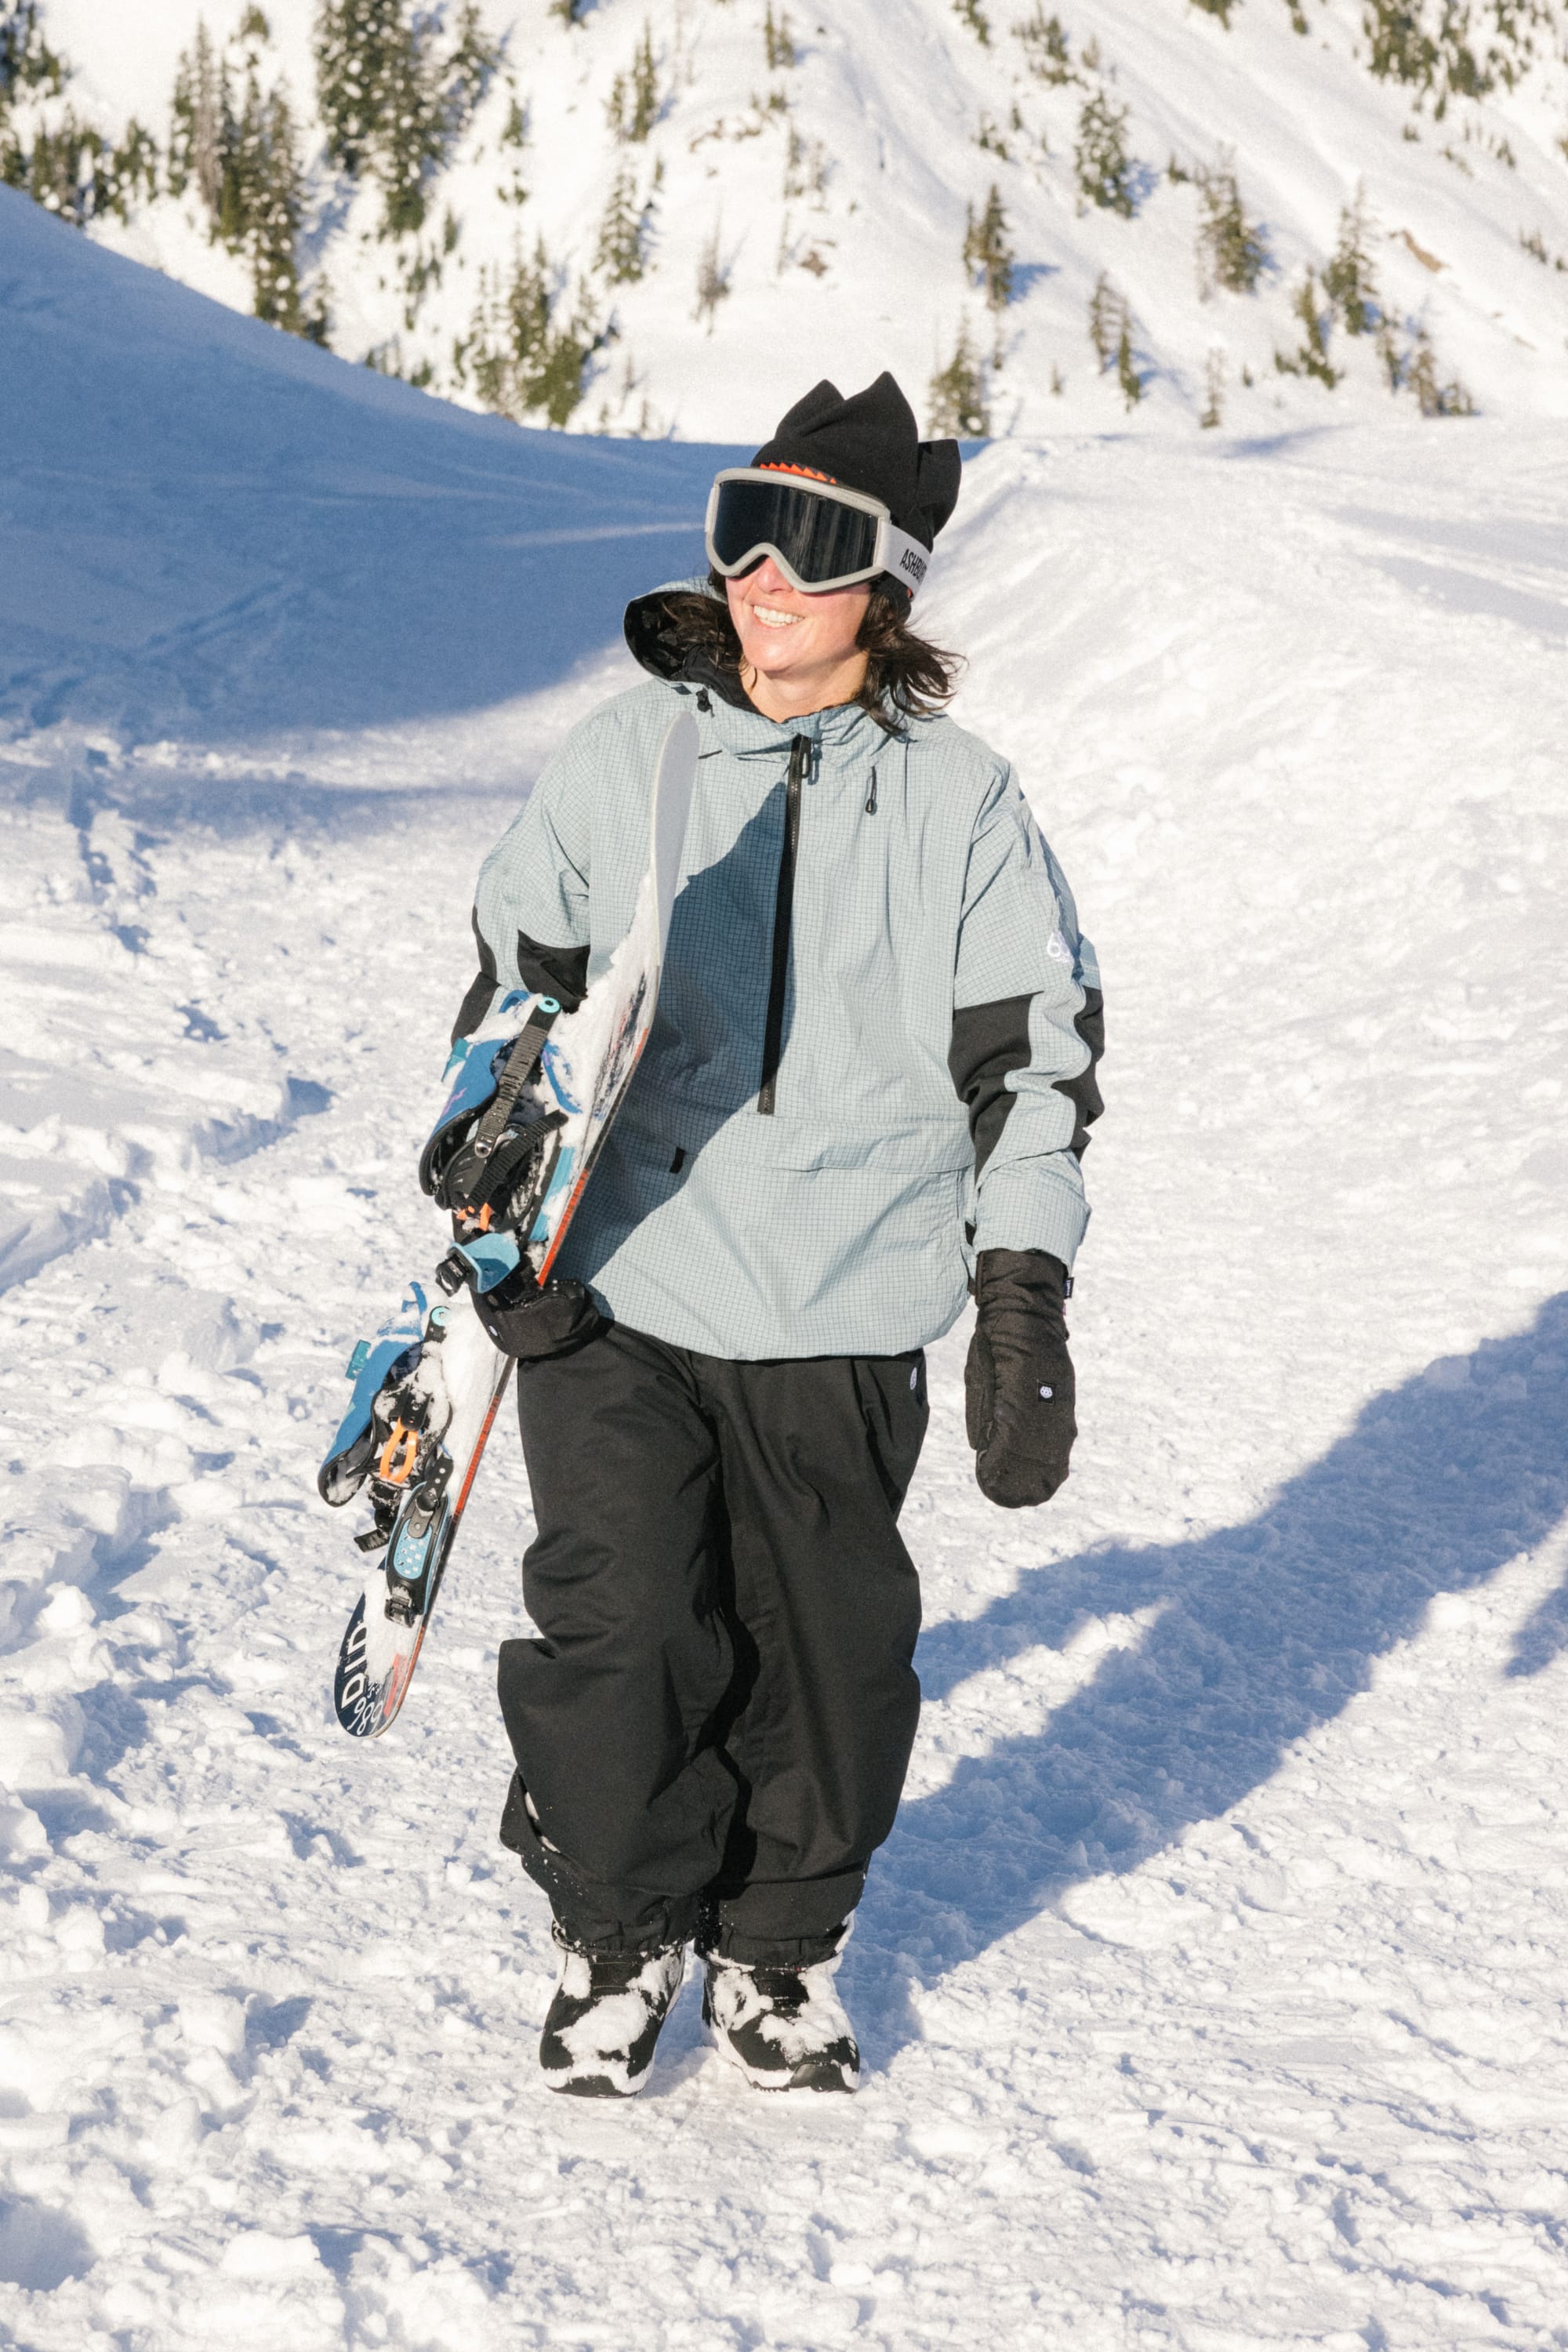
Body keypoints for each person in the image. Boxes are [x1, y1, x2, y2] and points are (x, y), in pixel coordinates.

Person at [445, 373, 1104, 2098]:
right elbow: (521, 995)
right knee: (624, 1619)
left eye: (807, 545)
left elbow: (1032, 1056)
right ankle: (619, 1934)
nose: (758, 576)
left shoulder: (959, 799)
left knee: (823, 1648)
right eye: (739, 527)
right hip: (630, 1276)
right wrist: (498, 1195)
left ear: (884, 587)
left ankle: (778, 1948)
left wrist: (1021, 1288)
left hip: (845, 1291)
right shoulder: (630, 753)